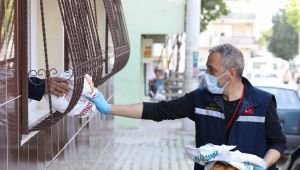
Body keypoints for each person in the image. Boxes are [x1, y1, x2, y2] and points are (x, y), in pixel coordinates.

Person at [88, 43, 286, 170]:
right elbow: (158, 110)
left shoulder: (263, 102)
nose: (206, 73)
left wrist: (262, 166)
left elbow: (278, 144)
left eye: (211, 69)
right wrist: (108, 108)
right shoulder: (200, 99)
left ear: (232, 72)